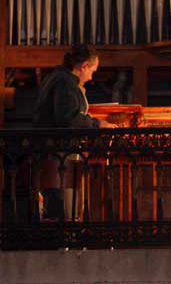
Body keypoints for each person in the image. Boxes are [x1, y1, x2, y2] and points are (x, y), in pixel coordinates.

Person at [32, 44, 113, 220]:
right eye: (92, 70)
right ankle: (62, 242)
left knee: (60, 207)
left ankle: (63, 239)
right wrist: (98, 125)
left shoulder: (59, 78)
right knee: (61, 209)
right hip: (58, 154)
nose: (92, 77)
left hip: (55, 153)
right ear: (83, 66)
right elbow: (68, 118)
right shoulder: (64, 82)